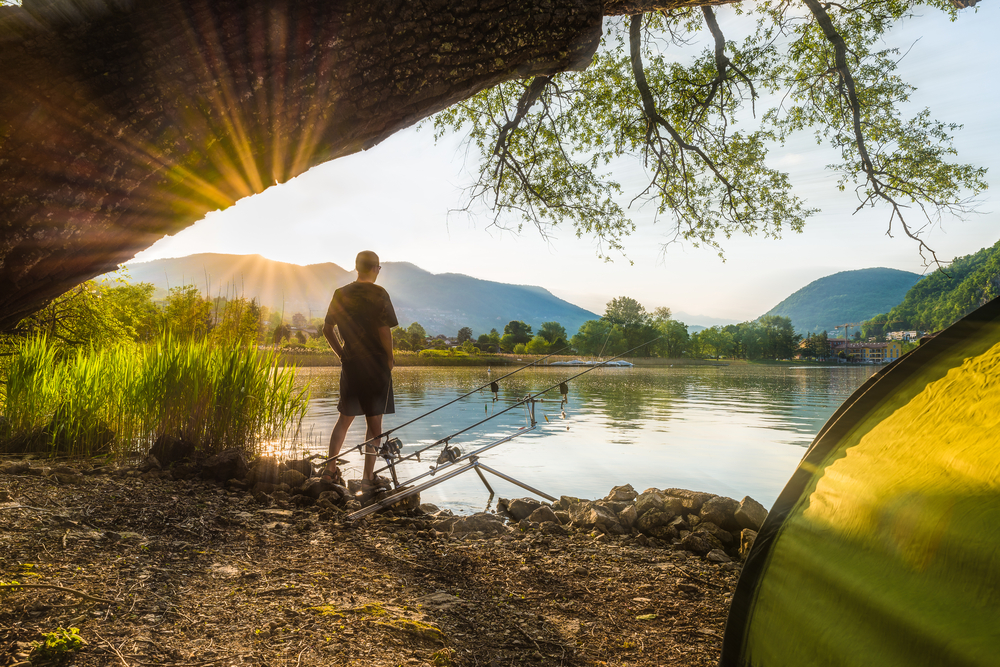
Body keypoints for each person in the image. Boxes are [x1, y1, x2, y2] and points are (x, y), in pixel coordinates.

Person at [323, 250, 398, 495]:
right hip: (376, 364)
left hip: (352, 364)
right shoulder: (379, 293)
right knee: (374, 423)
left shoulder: (341, 293)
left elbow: (327, 329)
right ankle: (367, 478)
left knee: (344, 419)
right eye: (379, 268)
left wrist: (342, 354)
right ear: (375, 268)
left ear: (357, 267)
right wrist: (389, 358)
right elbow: (384, 330)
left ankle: (329, 470)